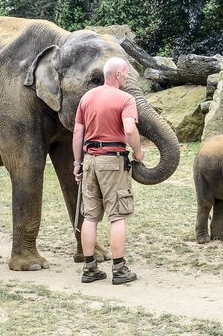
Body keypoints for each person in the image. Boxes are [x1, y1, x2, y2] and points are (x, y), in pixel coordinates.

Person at [73, 56, 144, 284]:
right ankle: (119, 269)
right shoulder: (125, 99)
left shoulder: (86, 98)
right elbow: (130, 129)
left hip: (90, 160)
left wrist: (77, 163)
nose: (126, 78)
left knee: (90, 216)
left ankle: (89, 268)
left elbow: (77, 133)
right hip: (113, 160)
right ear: (117, 75)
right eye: (125, 74)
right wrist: (138, 152)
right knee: (118, 216)